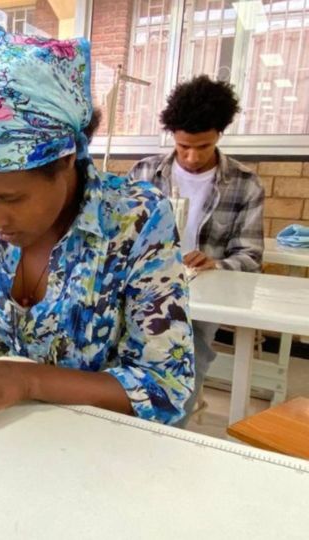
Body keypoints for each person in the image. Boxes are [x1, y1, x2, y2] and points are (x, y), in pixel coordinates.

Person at [0, 25, 194, 427]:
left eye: (10, 198)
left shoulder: (137, 220)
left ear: (65, 161)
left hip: (78, 449)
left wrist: (27, 380)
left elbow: (165, 387)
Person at [127, 75, 264, 422]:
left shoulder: (245, 184)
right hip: (142, 292)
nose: (190, 156)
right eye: (183, 146)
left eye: (202, 146)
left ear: (219, 133)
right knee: (129, 371)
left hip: (198, 301)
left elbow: (250, 256)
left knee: (184, 374)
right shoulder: (144, 172)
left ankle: (172, 437)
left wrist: (215, 264)